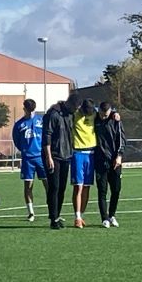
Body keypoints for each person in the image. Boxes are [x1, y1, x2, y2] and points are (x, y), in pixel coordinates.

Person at [42, 92, 81, 230]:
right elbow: (47, 136)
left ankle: (57, 215)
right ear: (69, 103)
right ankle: (53, 219)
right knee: (54, 187)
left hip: (66, 155)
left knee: (62, 188)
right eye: (75, 108)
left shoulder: (70, 114)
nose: (76, 110)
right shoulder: (54, 114)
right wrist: (48, 157)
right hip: (53, 155)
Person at [12, 98, 48, 222]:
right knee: (28, 186)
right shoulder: (19, 125)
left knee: (47, 185)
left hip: (41, 158)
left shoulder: (41, 121)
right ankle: (31, 213)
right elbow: (16, 141)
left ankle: (52, 211)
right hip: (28, 159)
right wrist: (25, 150)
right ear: (24, 109)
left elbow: (47, 136)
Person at [94, 101, 125, 228]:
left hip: (114, 161)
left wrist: (119, 156)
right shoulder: (94, 119)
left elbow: (122, 140)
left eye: (106, 115)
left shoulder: (115, 121)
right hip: (100, 160)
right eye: (102, 114)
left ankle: (112, 215)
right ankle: (104, 218)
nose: (103, 117)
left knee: (116, 190)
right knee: (102, 191)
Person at [71, 99, 97, 228]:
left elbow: (108, 112)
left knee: (87, 187)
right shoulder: (74, 115)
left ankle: (81, 215)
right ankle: (77, 217)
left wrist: (116, 115)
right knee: (78, 187)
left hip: (91, 154)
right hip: (78, 153)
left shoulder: (95, 114)